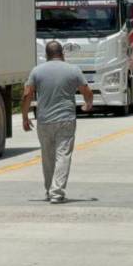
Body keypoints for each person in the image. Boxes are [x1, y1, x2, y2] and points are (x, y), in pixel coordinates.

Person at [22, 40, 93, 204]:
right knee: (63, 155)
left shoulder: (37, 71)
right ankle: (57, 192)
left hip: (44, 120)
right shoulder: (73, 70)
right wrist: (88, 104)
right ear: (62, 54)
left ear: (46, 55)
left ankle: (49, 190)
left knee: (47, 156)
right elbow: (86, 91)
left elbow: (27, 94)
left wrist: (25, 117)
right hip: (66, 119)